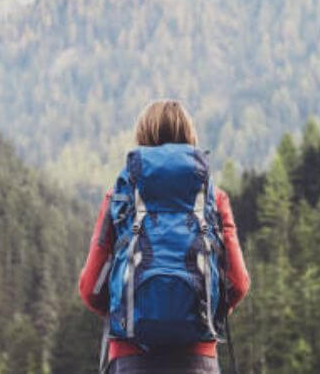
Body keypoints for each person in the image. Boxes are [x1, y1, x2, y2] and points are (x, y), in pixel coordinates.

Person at [79, 100, 251, 374]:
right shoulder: (214, 200)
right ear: (190, 136)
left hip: (130, 358)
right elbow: (238, 283)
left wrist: (129, 311)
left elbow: (90, 288)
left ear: (142, 137)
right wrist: (202, 309)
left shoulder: (119, 197)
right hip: (198, 358)